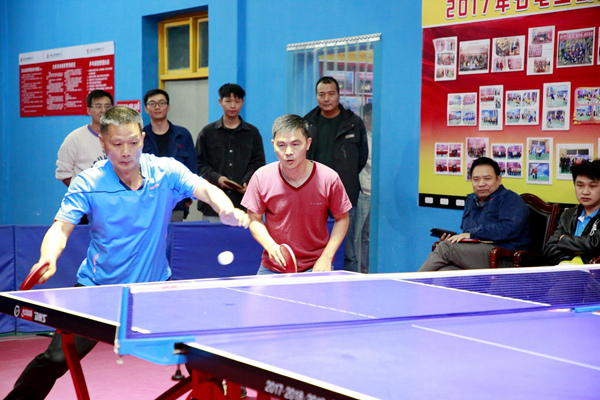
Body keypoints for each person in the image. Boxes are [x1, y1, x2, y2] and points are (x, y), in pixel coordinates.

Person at [4, 106, 249, 400]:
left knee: (200, 351)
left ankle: (216, 392)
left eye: (133, 142)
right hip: (98, 290)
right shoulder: (89, 182)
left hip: (153, 290)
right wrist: (49, 256)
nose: (125, 152)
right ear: (103, 142)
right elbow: (61, 227)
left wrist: (226, 208)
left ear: (143, 139)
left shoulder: (166, 171)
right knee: (56, 358)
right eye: (117, 143)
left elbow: (204, 188)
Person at [242, 114, 351, 274]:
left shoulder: (329, 178)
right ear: (273, 145)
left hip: (315, 267)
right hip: (272, 267)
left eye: (295, 144)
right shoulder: (261, 177)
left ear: (308, 143)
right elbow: (254, 219)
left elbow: (342, 218)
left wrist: (326, 257)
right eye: (281, 145)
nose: (288, 152)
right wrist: (270, 246)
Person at [419, 157, 530, 271]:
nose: (481, 184)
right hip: (476, 254)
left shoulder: (510, 198)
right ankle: (416, 281)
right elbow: (468, 232)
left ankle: (412, 282)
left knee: (445, 248)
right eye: (476, 179)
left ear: (499, 179)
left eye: (487, 179)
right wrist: (454, 239)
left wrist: (472, 234)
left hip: (502, 256)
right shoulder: (471, 200)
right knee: (445, 271)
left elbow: (508, 229)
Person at [303, 76, 368, 272]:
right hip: (313, 195)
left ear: (339, 95)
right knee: (313, 247)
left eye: (331, 94)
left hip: (345, 194)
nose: (326, 99)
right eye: (321, 94)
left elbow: (361, 158)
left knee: (348, 251)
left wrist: (345, 177)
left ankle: (350, 285)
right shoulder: (307, 123)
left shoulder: (354, 123)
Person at [196, 83, 265, 221]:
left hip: (244, 205)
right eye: (228, 101)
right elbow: (199, 163)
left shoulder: (252, 133)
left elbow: (258, 163)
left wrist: (247, 181)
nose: (233, 106)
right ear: (220, 102)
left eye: (237, 101)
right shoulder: (207, 133)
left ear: (242, 103)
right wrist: (217, 178)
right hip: (213, 207)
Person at [142, 88, 198, 221]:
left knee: (174, 234)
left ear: (168, 107)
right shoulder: (140, 136)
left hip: (176, 205)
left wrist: (186, 199)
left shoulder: (183, 135)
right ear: (146, 109)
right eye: (152, 103)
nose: (157, 107)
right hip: (147, 206)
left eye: (161, 103)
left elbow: (192, 168)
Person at [543, 159, 600, 265]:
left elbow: (595, 245)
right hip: (562, 269)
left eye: (592, 186)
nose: (585, 192)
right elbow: (549, 249)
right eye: (580, 185)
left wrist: (563, 240)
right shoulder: (567, 215)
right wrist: (574, 256)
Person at [353, 103, 372, 273]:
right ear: (366, 117)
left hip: (374, 196)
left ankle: (364, 270)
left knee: (367, 237)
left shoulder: (377, 139)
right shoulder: (363, 138)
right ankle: (355, 269)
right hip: (363, 194)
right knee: (356, 237)